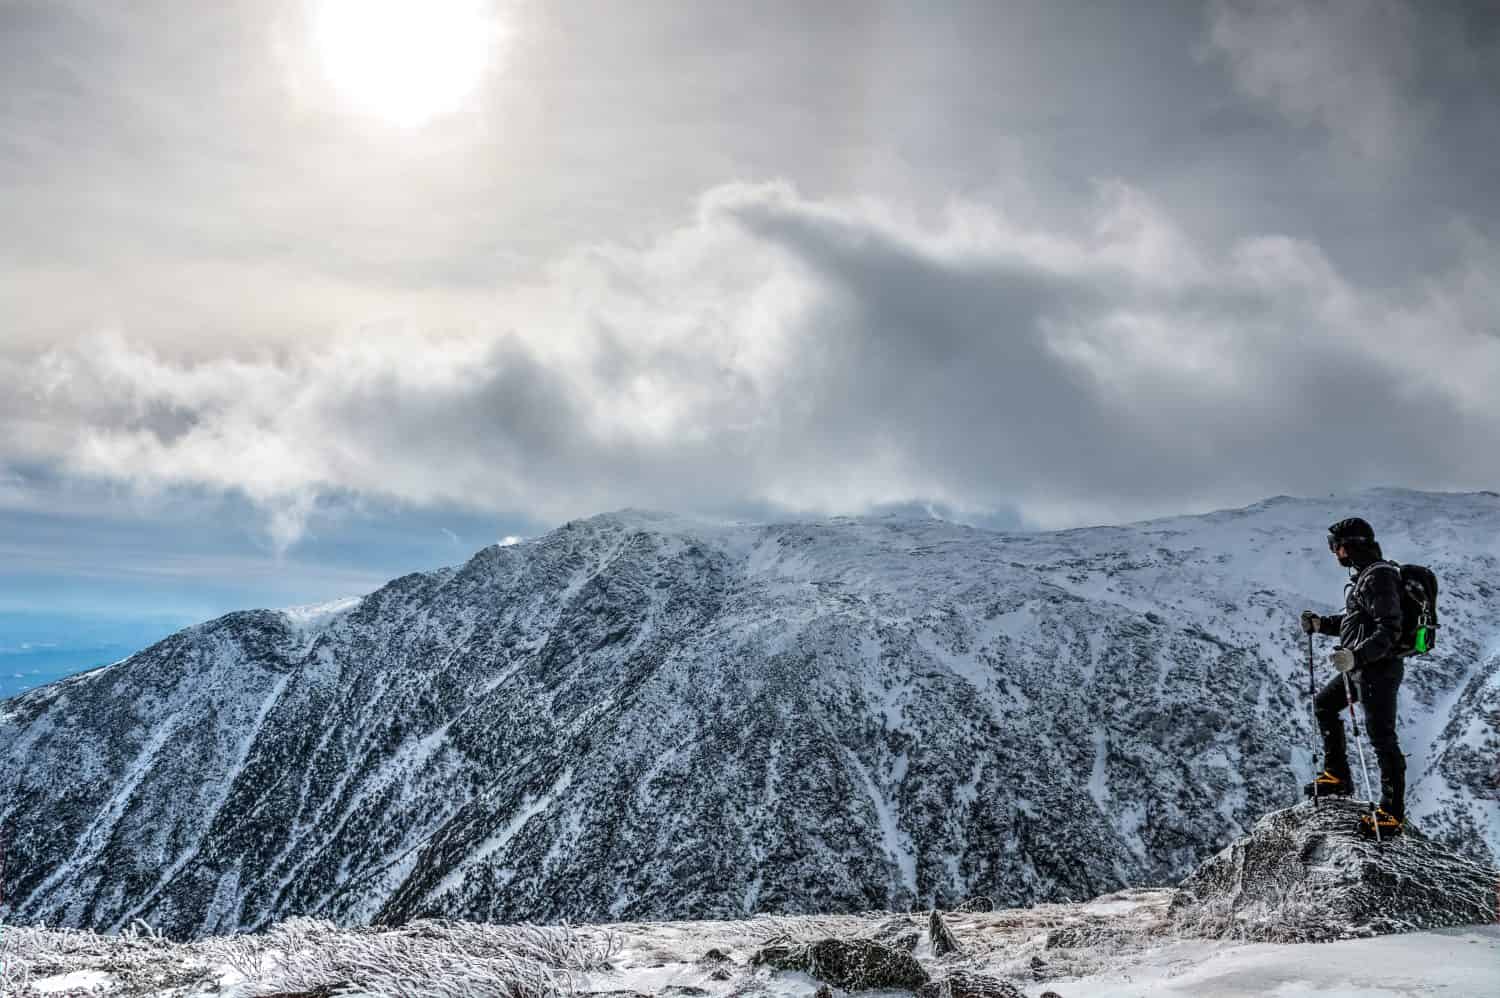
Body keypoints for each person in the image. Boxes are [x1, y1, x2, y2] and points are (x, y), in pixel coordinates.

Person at [1299, 517, 1406, 837]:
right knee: (1323, 705)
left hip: (1378, 670)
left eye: (1336, 546)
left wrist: (1356, 656)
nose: (1335, 552)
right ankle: (1337, 776)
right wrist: (1321, 625)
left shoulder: (1379, 577)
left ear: (1352, 545)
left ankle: (1391, 813)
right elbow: (1355, 622)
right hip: (1361, 667)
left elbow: (1390, 629)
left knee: (1382, 737)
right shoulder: (1367, 576)